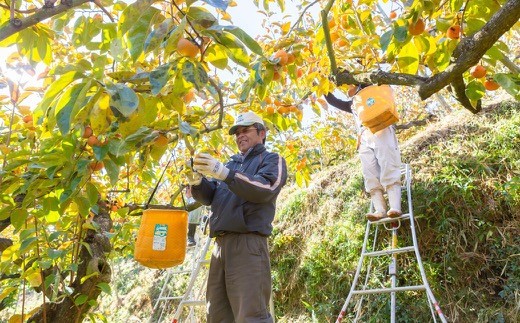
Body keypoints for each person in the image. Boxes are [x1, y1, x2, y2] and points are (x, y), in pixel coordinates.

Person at [186, 111, 288, 323]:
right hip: (220, 246)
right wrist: (197, 182)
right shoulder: (231, 165)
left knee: (250, 315)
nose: (240, 135)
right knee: (217, 314)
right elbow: (211, 195)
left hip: (248, 244)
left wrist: (224, 173)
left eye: (245, 130)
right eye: (237, 133)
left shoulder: (272, 160)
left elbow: (265, 188)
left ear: (262, 133)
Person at [325, 85, 402, 221]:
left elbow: (373, 83)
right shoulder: (353, 104)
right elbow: (333, 101)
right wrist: (319, 83)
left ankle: (395, 206)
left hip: (380, 128)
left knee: (388, 164)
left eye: (348, 85)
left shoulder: (371, 90)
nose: (345, 88)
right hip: (364, 137)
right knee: (370, 174)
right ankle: (380, 210)